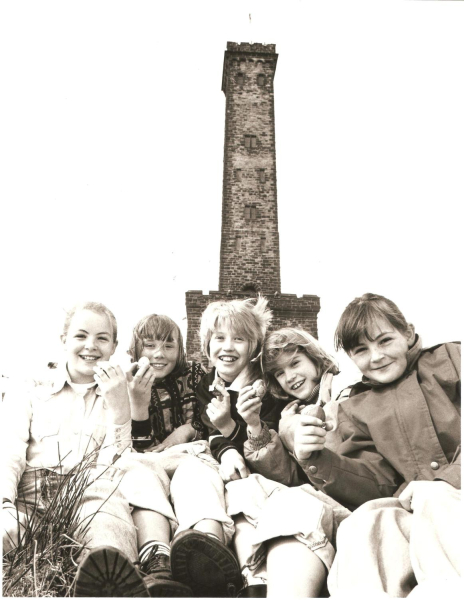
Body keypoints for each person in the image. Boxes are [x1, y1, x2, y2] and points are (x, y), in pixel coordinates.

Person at [2, 302, 192, 597]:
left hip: (87, 489)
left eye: (102, 338)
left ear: (114, 346)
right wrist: (4, 506)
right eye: (80, 336)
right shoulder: (29, 387)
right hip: (31, 493)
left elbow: (117, 463)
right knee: (11, 532)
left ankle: (111, 572)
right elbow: (8, 450)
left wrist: (119, 408)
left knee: (106, 514)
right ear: (63, 340)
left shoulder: (116, 389)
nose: (91, 346)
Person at [292, 293, 461, 597]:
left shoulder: (452, 359)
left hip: (451, 504)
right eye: (361, 350)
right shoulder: (356, 406)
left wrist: (444, 480)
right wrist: (317, 458)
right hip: (418, 516)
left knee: (433, 498)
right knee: (365, 524)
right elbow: (378, 484)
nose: (376, 356)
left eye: (384, 341)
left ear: (407, 333)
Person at [224, 327, 351, 598]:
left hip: (345, 500)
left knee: (290, 500)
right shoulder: (288, 412)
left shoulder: (344, 387)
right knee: (242, 488)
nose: (289, 377)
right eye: (279, 373)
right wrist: (255, 425)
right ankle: (256, 583)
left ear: (316, 358)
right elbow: (287, 476)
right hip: (313, 501)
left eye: (295, 363)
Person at [168, 296, 281, 597]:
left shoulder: (265, 387)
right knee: (201, 485)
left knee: (244, 502)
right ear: (207, 345)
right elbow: (209, 431)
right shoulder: (207, 384)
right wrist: (225, 442)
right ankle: (205, 554)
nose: (228, 347)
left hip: (261, 468)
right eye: (219, 338)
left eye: (239, 339)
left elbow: (265, 440)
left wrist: (229, 428)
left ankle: (252, 578)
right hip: (227, 461)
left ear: (254, 346)